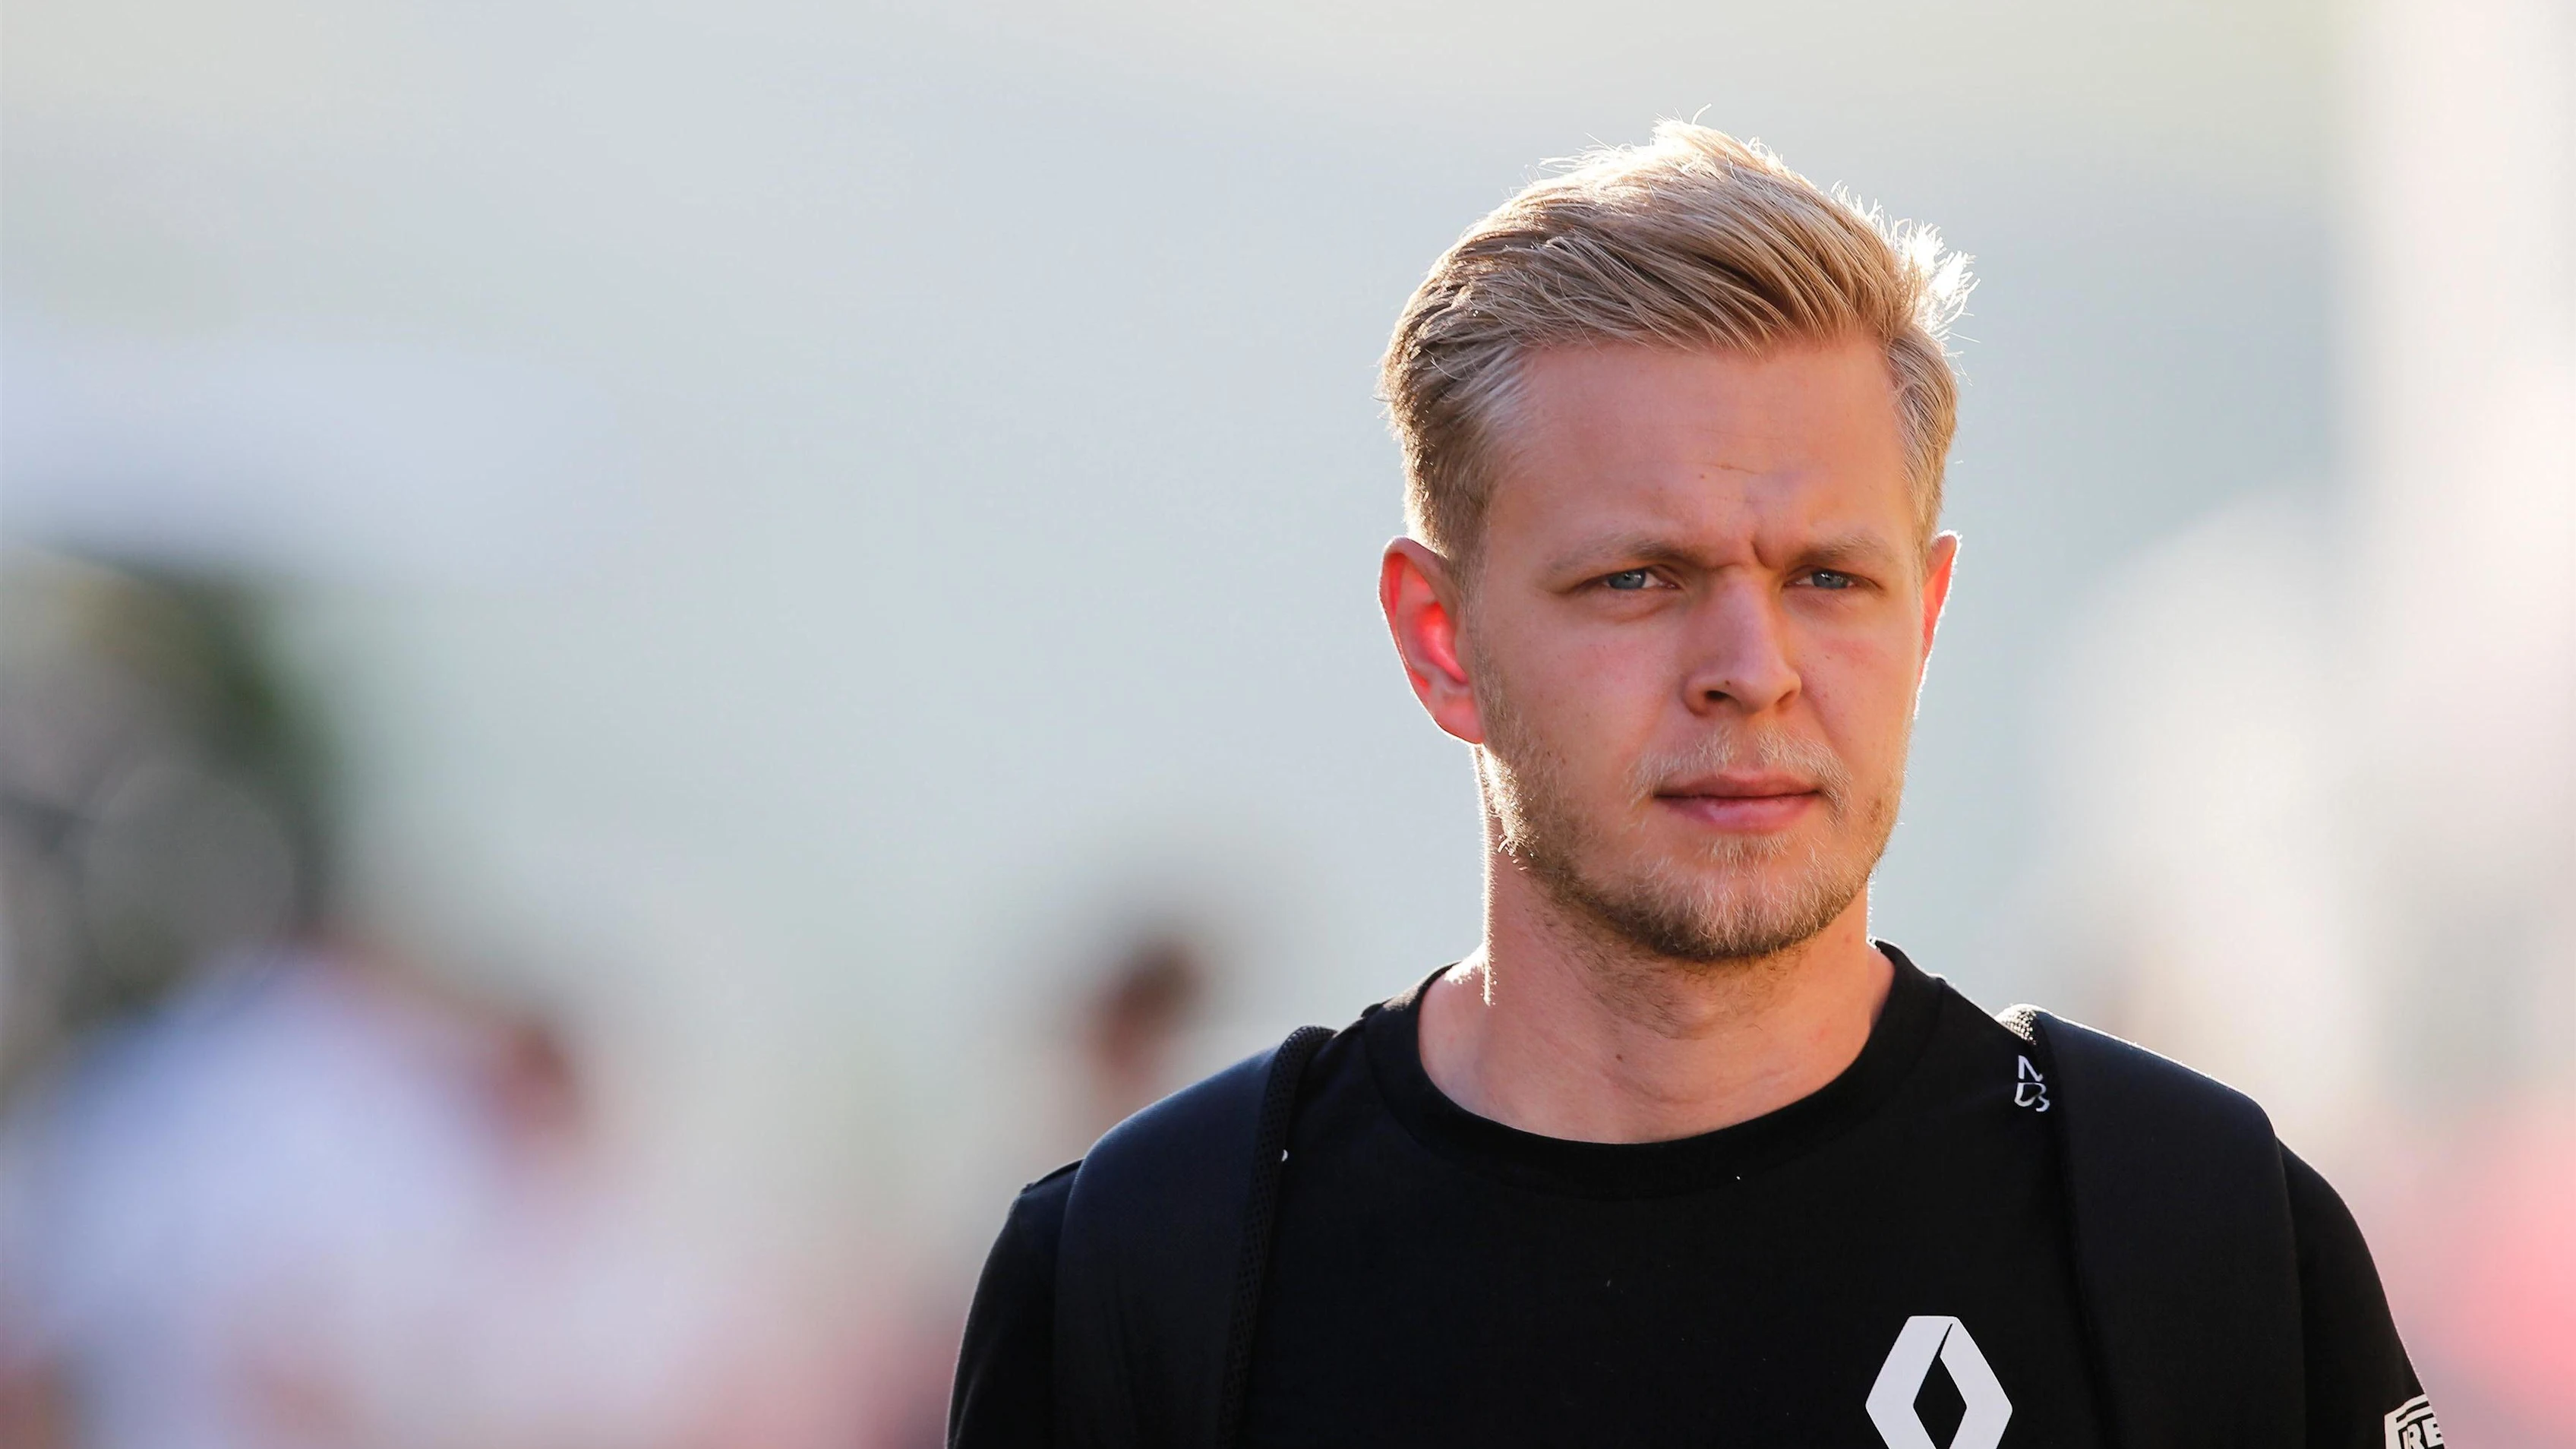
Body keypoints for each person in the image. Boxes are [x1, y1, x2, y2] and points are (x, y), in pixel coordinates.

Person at [945, 124, 2427, 1448]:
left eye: (1828, 578)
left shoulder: (2195, 1236)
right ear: (1442, 641)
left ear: (1923, 622)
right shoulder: (1151, 1273)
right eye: (1637, 578)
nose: (1749, 669)